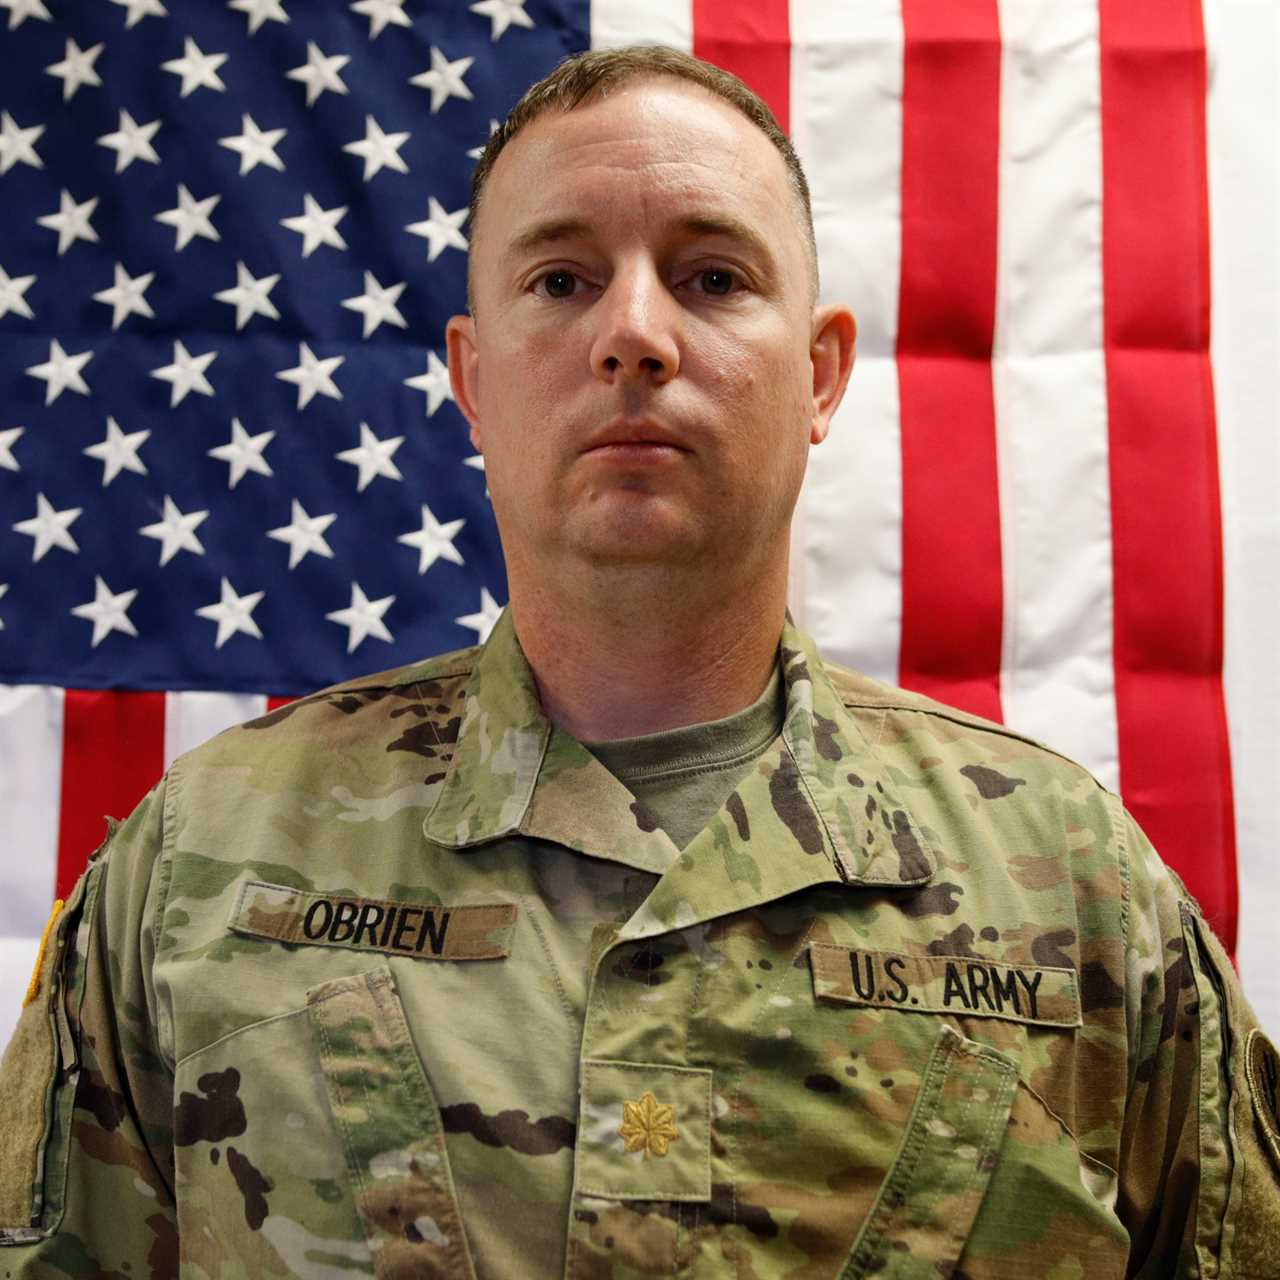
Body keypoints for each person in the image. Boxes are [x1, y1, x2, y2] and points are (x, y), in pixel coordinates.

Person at [2, 43, 1278, 1280]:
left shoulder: (1078, 889)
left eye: (713, 277)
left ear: (821, 374)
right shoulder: (199, 865)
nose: (633, 335)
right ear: (470, 377)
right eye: (558, 280)